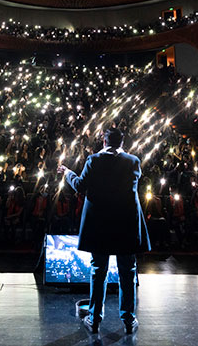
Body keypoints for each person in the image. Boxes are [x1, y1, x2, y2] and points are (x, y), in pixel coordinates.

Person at [58, 127, 151, 335]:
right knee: (127, 272)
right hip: (126, 225)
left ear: (103, 141)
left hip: (100, 224)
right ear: (122, 143)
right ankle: (128, 320)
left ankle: (95, 319)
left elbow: (80, 186)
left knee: (98, 271)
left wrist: (68, 173)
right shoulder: (133, 161)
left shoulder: (94, 160)